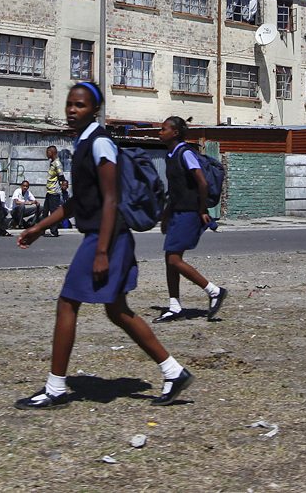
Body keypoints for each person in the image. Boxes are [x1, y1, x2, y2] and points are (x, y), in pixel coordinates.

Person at [15, 82, 194, 409]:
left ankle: (55, 389)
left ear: (94, 110)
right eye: (69, 104)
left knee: (68, 303)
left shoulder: (100, 144)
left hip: (107, 238)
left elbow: (111, 198)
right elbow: (79, 202)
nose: (72, 110)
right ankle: (173, 371)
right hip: (106, 237)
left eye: (80, 105)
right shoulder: (85, 143)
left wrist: (101, 252)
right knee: (117, 310)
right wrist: (39, 227)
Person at [154, 116, 228, 322]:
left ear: (175, 132)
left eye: (163, 129)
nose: (160, 132)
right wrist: (167, 215)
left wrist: (202, 209)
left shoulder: (185, 153)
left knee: (174, 259)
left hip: (189, 212)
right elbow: (176, 190)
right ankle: (174, 306)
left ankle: (214, 291)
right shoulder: (171, 155)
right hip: (178, 212)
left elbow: (202, 182)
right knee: (170, 259)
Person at [42, 145, 66, 237]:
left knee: (53, 212)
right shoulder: (51, 163)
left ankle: (54, 231)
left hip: (54, 192)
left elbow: (61, 176)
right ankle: (42, 230)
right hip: (49, 191)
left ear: (52, 152)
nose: (46, 154)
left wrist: (62, 188)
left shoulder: (57, 163)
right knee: (45, 212)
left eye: (48, 152)